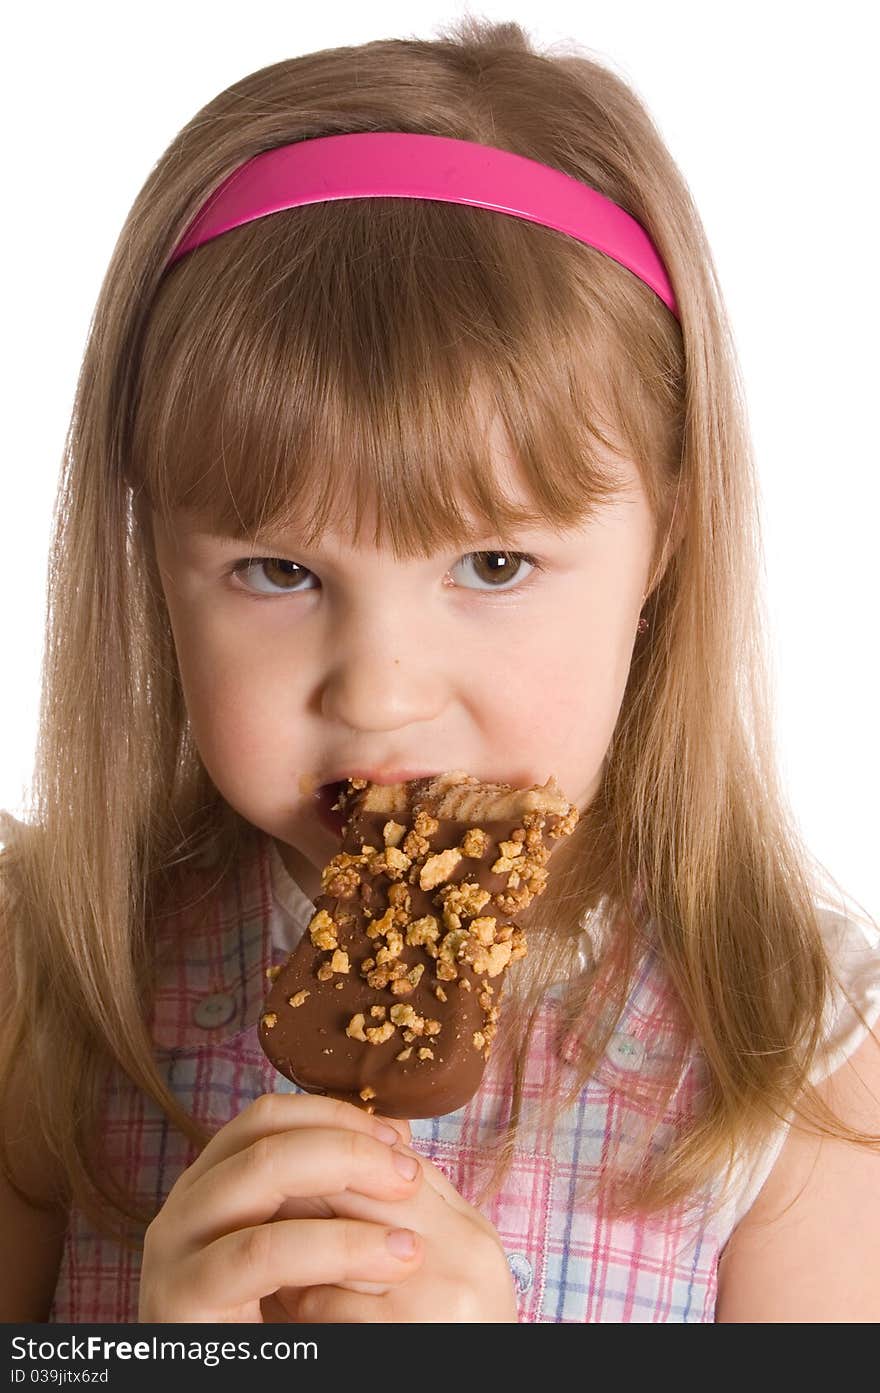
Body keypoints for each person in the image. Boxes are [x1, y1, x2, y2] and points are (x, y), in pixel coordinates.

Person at [1, 15, 878, 1325]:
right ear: (149, 557)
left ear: (663, 548)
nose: (383, 690)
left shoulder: (789, 1049)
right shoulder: (46, 978)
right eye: (279, 572)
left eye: (494, 565)